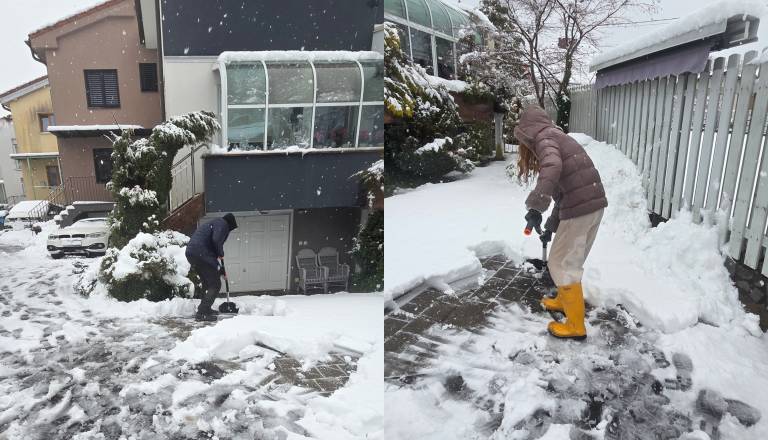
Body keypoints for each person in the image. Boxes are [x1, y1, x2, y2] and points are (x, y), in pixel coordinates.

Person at [514, 105, 607, 340]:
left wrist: (535, 208)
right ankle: (564, 301)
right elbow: (562, 192)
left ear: (527, 130)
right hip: (591, 205)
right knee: (567, 260)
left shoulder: (544, 138)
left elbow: (553, 168)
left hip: (581, 208)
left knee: (562, 264)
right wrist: (550, 226)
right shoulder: (557, 136)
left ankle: (576, 325)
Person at [185, 213, 238, 321]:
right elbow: (216, 240)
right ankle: (203, 312)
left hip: (192, 253)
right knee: (215, 284)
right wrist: (221, 253)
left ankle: (205, 308)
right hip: (201, 253)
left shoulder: (214, 223)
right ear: (230, 224)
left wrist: (219, 268)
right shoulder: (222, 223)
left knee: (207, 283)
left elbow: (211, 250)